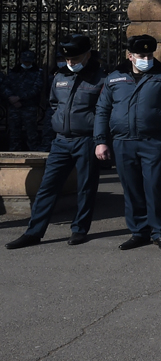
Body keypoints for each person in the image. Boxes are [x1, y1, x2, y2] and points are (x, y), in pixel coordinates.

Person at [6, 35, 106, 250]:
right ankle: (34, 231)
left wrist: (100, 140)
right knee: (47, 187)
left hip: (86, 139)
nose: (70, 63)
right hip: (61, 141)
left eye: (76, 59)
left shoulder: (100, 78)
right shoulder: (60, 76)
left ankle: (79, 229)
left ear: (88, 55)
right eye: (67, 59)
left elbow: (103, 111)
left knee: (86, 187)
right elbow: (54, 104)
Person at [94, 35, 161, 250]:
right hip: (123, 141)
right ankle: (138, 231)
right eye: (141, 55)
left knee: (154, 187)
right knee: (132, 188)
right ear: (130, 56)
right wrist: (100, 141)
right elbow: (102, 110)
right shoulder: (115, 78)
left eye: (149, 55)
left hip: (153, 140)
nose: (146, 58)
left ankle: (159, 231)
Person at [6, 49, 46, 150]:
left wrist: (19, 98)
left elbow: (36, 88)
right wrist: (11, 98)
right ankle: (14, 152)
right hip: (14, 107)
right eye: (25, 61)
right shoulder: (13, 72)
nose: (26, 63)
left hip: (29, 106)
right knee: (14, 133)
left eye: (29, 61)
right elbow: (6, 86)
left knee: (31, 133)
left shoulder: (37, 72)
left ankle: (35, 152)